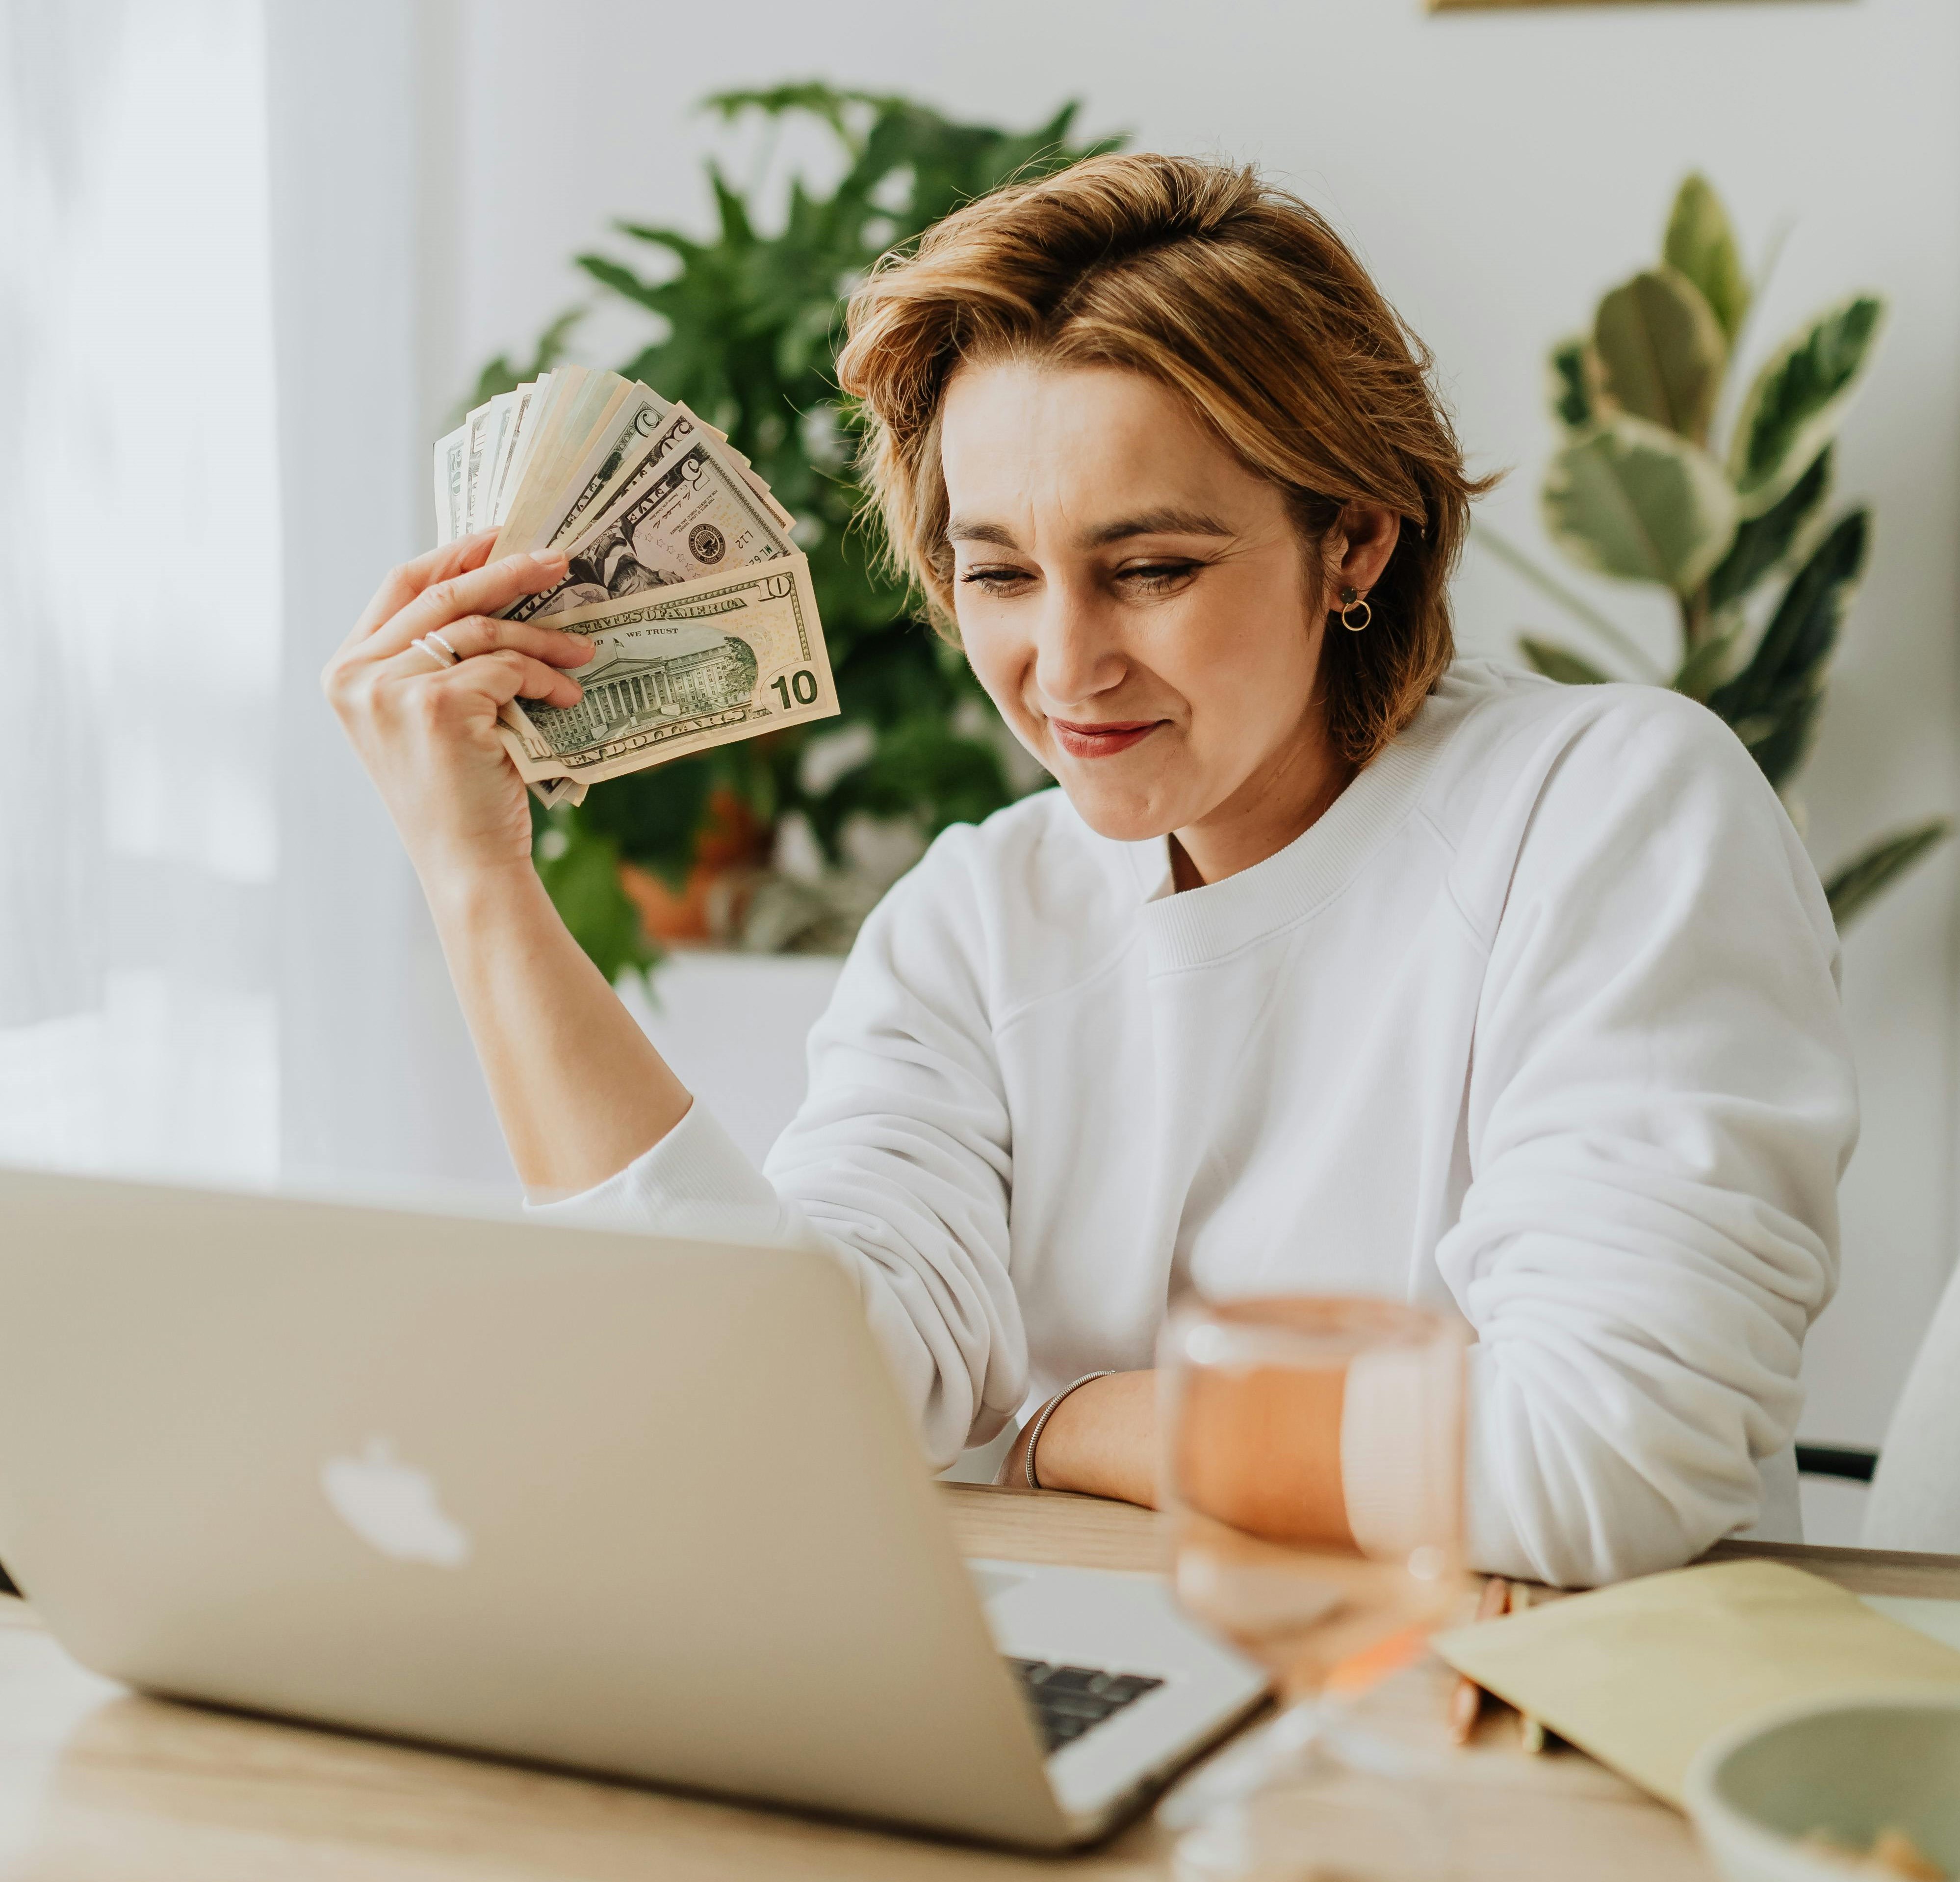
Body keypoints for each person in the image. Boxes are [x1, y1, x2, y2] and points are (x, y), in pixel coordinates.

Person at [325, 154, 1857, 1590]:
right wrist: (478, 881)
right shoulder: (977, 922)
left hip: (1517, 1745)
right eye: (999, 572)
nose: (1065, 669)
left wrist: (1076, 1428)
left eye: (1154, 570)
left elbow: (1601, 1459)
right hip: (1124, 1695)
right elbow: (767, 1400)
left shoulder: (1610, 812)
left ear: (1358, 545)